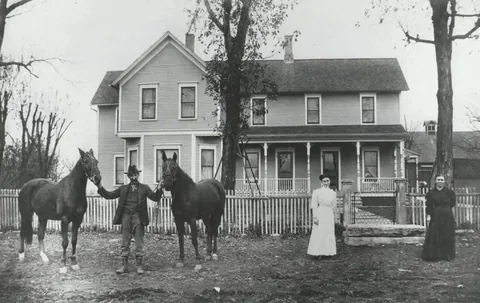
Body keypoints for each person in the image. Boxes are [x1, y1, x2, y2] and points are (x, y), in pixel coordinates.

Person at [94, 165, 163, 274]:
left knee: (139, 242)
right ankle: (123, 265)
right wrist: (99, 185)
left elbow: (155, 197)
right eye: (131, 175)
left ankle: (139, 266)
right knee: (125, 242)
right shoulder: (123, 188)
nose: (133, 176)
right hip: (125, 216)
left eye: (135, 174)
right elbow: (109, 195)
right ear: (129, 176)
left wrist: (159, 188)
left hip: (138, 217)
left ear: (138, 175)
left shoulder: (144, 188)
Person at [421, 174, 456, 261]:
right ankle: (434, 255)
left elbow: (452, 204)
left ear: (444, 181)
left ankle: (447, 255)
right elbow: (429, 205)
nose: (440, 181)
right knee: (435, 234)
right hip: (436, 214)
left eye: (442, 180)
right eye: (438, 180)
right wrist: (429, 215)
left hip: (447, 215)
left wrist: (445, 209)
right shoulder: (431, 193)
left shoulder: (450, 192)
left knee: (447, 233)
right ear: (435, 181)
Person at [307, 174, 337, 260]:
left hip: (329, 213)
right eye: (324, 181)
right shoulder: (317, 192)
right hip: (320, 212)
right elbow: (314, 205)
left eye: (327, 181)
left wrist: (331, 213)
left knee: (329, 232)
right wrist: (315, 217)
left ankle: (329, 252)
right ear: (321, 182)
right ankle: (319, 252)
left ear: (330, 181)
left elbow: (333, 205)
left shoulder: (333, 193)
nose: (326, 182)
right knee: (320, 232)